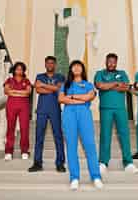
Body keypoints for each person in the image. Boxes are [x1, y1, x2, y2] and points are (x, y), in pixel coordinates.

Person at [59, 60, 103, 191]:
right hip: (68, 116)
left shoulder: (88, 84)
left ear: (82, 70)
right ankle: (74, 178)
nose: (77, 68)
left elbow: (89, 97)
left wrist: (71, 97)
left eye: (79, 66)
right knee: (71, 146)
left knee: (90, 145)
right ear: (71, 69)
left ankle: (96, 176)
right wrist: (80, 98)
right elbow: (61, 99)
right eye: (74, 66)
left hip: (84, 115)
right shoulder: (65, 85)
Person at [94, 53, 138, 174]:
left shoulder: (122, 73)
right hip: (105, 108)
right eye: (109, 61)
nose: (111, 64)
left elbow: (125, 87)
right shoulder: (100, 73)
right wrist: (115, 84)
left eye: (114, 62)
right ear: (106, 61)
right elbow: (100, 85)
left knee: (124, 134)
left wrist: (109, 86)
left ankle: (128, 163)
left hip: (120, 108)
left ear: (116, 62)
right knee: (105, 135)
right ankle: (103, 162)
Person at [28, 56, 66, 173]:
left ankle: (60, 163)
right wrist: (53, 88)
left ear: (55, 65)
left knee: (58, 136)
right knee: (39, 137)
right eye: (48, 63)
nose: (50, 65)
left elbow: (60, 89)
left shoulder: (60, 77)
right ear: (45, 64)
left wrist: (44, 86)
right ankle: (37, 163)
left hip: (55, 109)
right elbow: (38, 90)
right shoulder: (40, 76)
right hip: (42, 110)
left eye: (52, 63)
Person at [3, 62, 32, 161]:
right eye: (17, 69)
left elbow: (28, 92)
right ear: (14, 70)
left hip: (24, 107)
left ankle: (24, 151)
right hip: (11, 106)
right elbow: (7, 91)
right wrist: (21, 93)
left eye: (21, 69)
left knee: (24, 128)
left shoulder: (26, 81)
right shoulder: (9, 80)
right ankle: (8, 152)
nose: (19, 71)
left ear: (23, 71)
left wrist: (14, 92)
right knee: (10, 128)